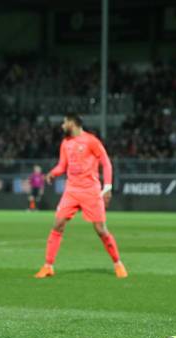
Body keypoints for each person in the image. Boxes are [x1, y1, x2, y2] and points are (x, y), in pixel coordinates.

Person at [35, 113, 128, 279]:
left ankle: (118, 263)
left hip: (90, 191)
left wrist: (107, 186)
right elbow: (62, 165)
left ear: (73, 123)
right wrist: (52, 173)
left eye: (65, 122)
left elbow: (106, 162)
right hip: (71, 191)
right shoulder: (65, 143)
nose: (62, 126)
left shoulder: (91, 140)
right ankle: (48, 266)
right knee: (58, 224)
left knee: (100, 229)